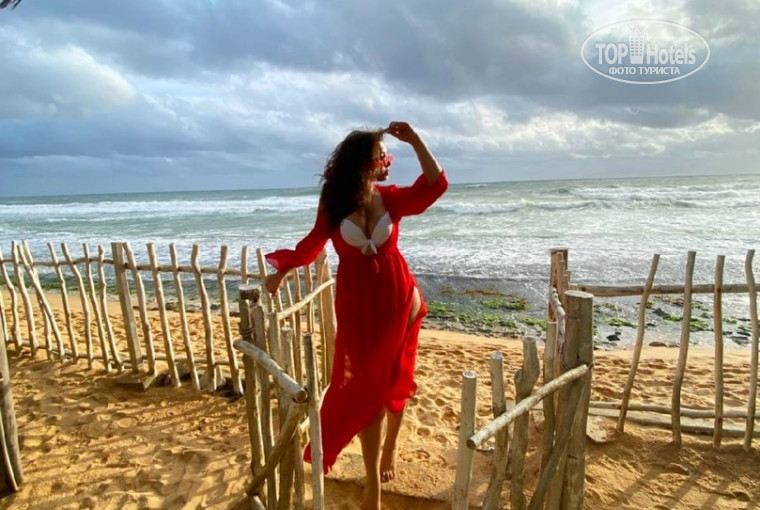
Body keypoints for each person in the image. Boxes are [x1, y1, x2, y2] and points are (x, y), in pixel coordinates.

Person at [264, 121, 448, 510]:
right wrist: (283, 270)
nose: (388, 161)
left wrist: (415, 140)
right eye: (382, 156)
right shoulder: (334, 202)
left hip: (398, 300)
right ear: (365, 162)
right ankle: (373, 481)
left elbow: (435, 185)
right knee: (367, 390)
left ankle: (387, 453)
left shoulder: (391, 199)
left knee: (394, 380)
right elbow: (313, 243)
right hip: (357, 307)